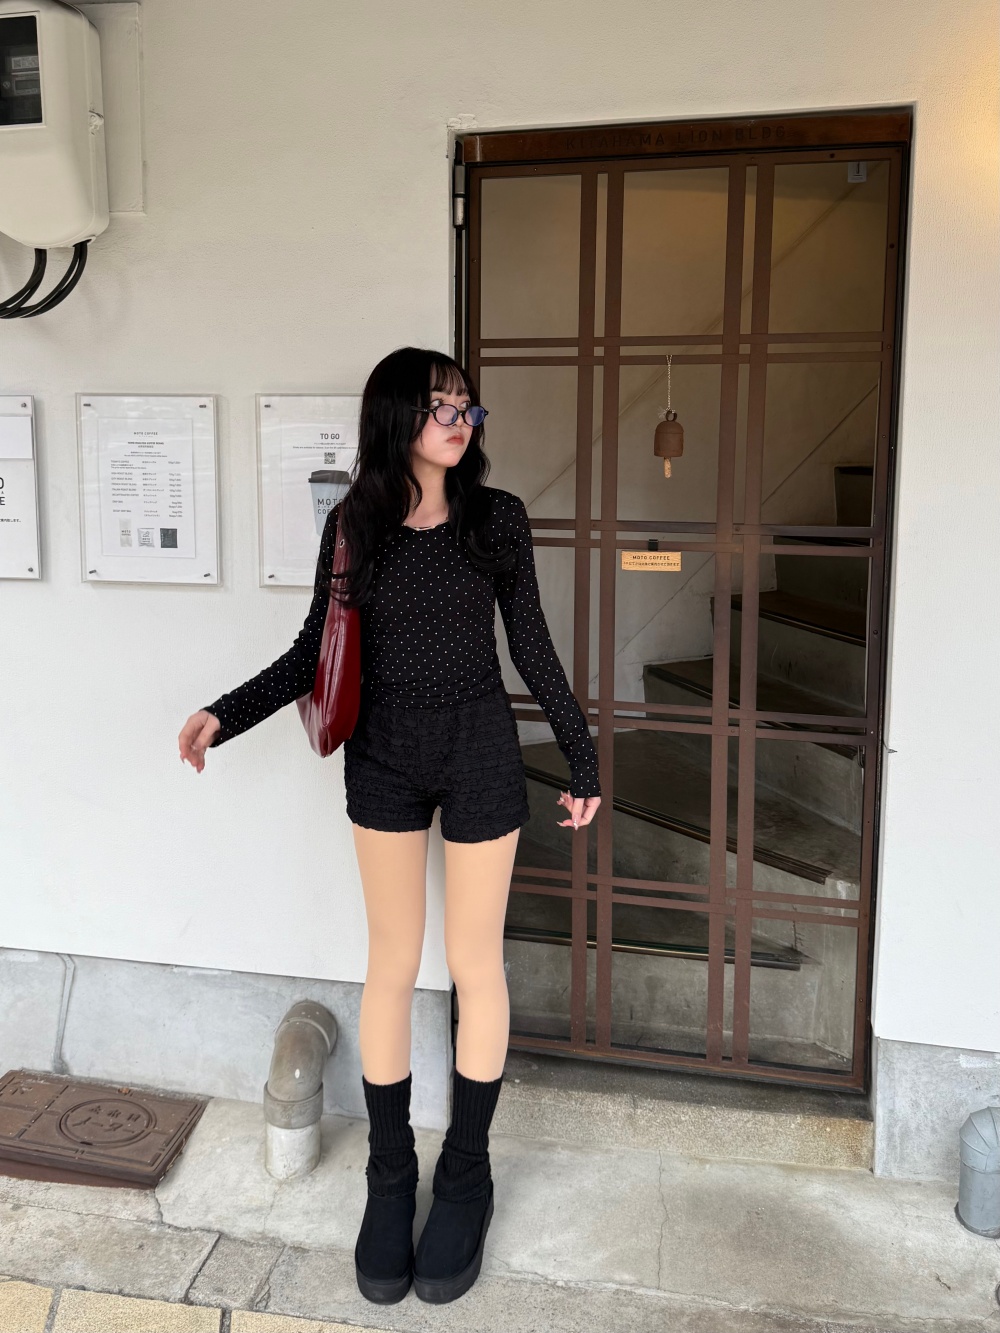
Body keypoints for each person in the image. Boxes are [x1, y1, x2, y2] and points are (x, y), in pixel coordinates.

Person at [177, 346, 601, 1306]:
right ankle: (391, 1174)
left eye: (466, 406)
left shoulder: (497, 519)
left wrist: (582, 757)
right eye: (440, 405)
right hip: (384, 756)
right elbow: (310, 654)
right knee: (392, 963)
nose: (459, 420)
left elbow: (532, 646)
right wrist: (222, 715)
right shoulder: (355, 525)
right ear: (396, 417)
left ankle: (467, 1172)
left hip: (480, 749)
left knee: (476, 962)